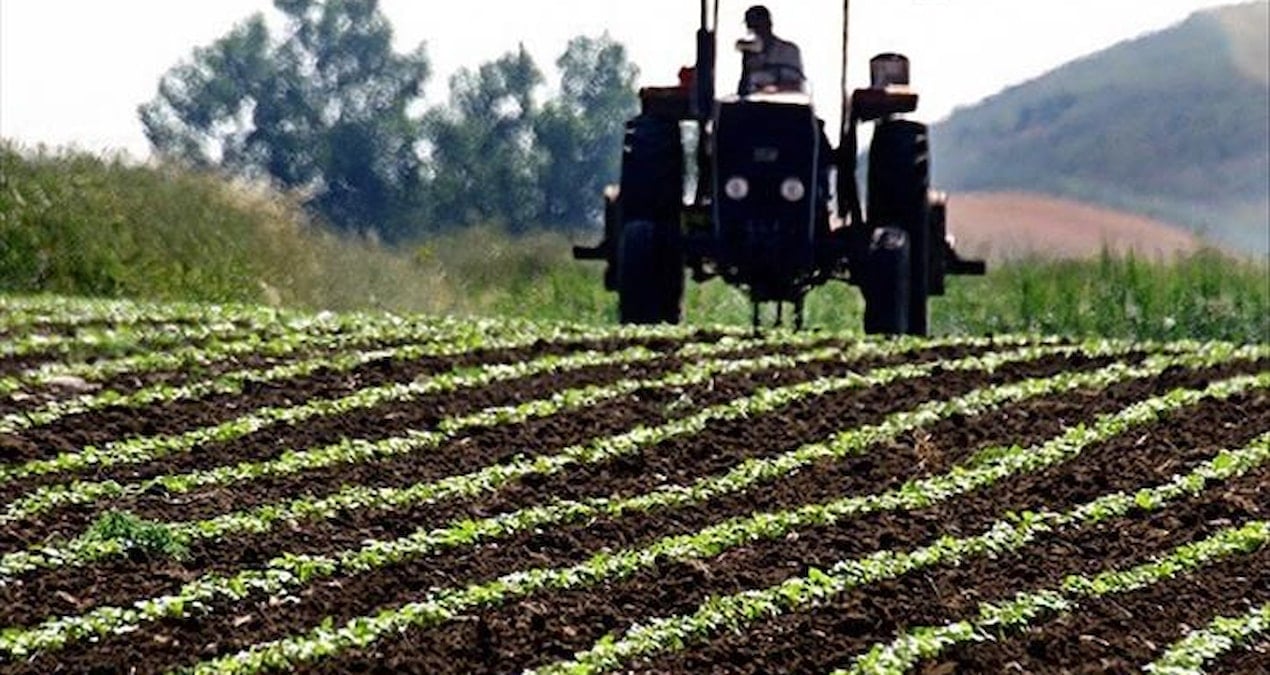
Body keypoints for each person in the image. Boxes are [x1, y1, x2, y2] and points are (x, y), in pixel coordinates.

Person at [737, 5, 805, 95]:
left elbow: (797, 84)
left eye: (758, 25)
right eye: (751, 26)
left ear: (768, 24)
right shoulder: (750, 52)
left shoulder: (788, 50)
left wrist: (774, 89)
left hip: (785, 104)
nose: (755, 30)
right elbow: (744, 88)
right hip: (755, 104)